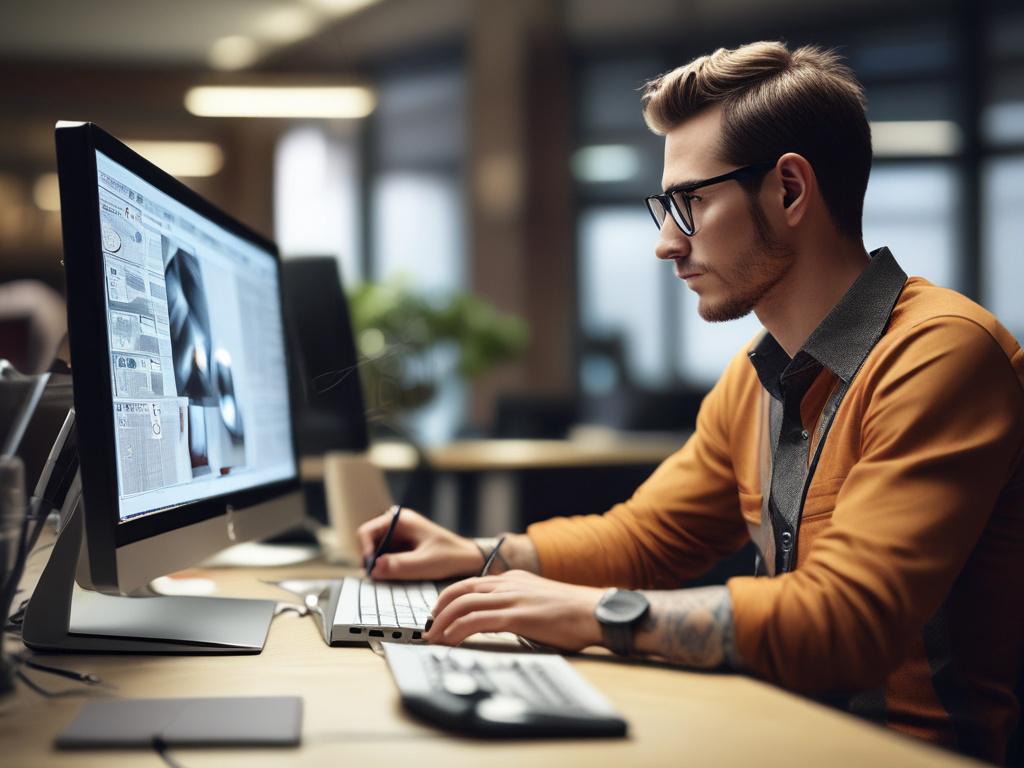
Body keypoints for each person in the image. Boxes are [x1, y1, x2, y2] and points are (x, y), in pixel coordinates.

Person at [357, 41, 1024, 763]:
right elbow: (647, 539)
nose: (666, 244)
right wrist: (482, 555)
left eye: (691, 203)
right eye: (665, 208)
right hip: (781, 732)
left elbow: (846, 620)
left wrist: (594, 614)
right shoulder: (755, 376)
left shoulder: (941, 353)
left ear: (790, 191)